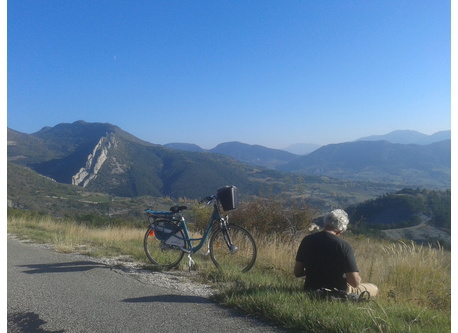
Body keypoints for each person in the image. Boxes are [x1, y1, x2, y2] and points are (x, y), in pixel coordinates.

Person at [294, 209, 378, 297]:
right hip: (337, 292)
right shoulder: (344, 246)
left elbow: (297, 273)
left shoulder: (307, 240)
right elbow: (354, 283)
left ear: (325, 223)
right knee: (374, 288)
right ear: (341, 230)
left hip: (311, 288)